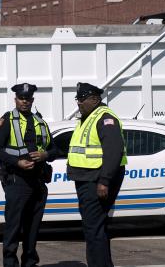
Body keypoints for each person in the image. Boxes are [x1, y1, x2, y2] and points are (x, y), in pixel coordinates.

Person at [0, 82, 60, 267]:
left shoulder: (40, 122)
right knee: (13, 228)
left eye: (28, 99)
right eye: (21, 98)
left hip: (37, 182)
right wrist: (17, 162)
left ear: (32, 100)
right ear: (16, 99)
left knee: (33, 228)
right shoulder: (8, 120)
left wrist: (46, 154)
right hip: (16, 181)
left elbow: (54, 150)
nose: (25, 102)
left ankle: (30, 263)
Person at [67, 83, 127, 267]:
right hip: (87, 179)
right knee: (94, 227)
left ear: (94, 99)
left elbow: (114, 151)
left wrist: (104, 181)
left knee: (93, 228)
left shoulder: (105, 118)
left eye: (82, 99)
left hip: (96, 180)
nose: (79, 103)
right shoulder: (87, 117)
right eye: (78, 99)